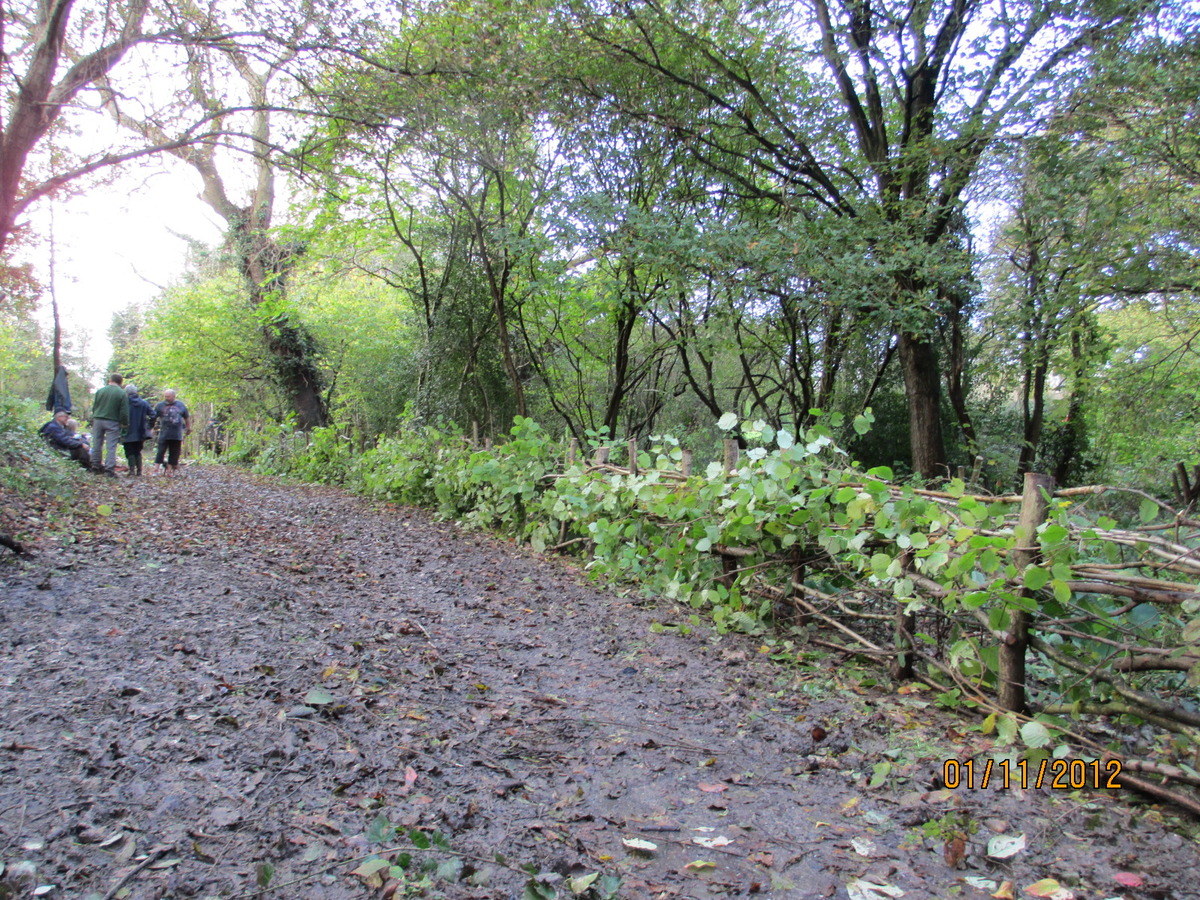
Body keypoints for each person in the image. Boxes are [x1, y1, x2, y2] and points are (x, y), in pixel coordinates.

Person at [90, 373, 130, 477]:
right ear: (121, 382)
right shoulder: (122, 393)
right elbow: (124, 412)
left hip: (98, 419)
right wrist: (124, 424)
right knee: (111, 446)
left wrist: (95, 416)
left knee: (96, 443)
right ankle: (109, 469)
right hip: (112, 421)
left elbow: (94, 406)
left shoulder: (100, 391)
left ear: (110, 380)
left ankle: (95, 466)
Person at [153, 389, 191, 476]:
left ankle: (169, 471)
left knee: (174, 453)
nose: (166, 398)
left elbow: (187, 417)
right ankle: (156, 469)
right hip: (164, 433)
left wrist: (189, 428)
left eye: (168, 396)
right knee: (160, 451)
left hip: (176, 433)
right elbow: (153, 417)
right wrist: (151, 428)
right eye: (165, 396)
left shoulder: (181, 405)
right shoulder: (160, 405)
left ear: (174, 396)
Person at [121, 384, 155, 476]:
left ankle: (132, 469)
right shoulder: (144, 403)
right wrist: (149, 426)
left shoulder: (124, 403)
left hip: (127, 430)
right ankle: (139, 470)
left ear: (126, 392)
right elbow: (153, 415)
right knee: (138, 450)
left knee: (129, 450)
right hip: (141, 431)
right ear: (136, 392)